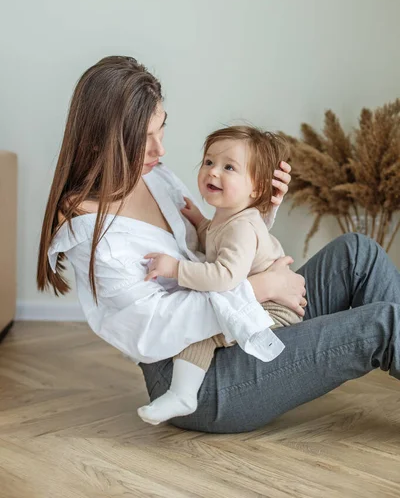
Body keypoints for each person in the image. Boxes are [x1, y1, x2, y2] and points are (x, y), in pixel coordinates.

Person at [37, 56, 400, 435]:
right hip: (200, 377)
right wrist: (264, 288)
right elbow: (157, 328)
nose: (159, 150)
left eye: (162, 130)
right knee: (384, 325)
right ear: (102, 139)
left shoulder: (153, 177)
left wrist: (255, 209)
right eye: (144, 139)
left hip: (239, 325)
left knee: (359, 253)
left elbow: (209, 247)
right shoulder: (91, 234)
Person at [138, 125, 302, 425]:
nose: (213, 172)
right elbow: (215, 240)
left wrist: (176, 269)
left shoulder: (242, 226)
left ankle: (183, 395)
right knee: (202, 320)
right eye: (209, 162)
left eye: (229, 167)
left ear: (257, 188)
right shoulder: (228, 216)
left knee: (201, 331)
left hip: (274, 309)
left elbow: (225, 276)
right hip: (262, 297)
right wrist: (200, 222)